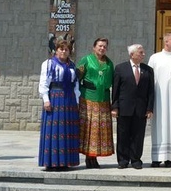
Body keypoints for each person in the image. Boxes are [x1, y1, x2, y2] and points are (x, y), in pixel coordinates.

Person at [38, 40, 80, 171]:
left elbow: (76, 84)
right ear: (56, 50)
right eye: (61, 49)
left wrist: (77, 101)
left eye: (66, 49)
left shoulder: (72, 65)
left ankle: (65, 161)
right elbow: (44, 82)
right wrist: (46, 99)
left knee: (67, 130)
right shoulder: (49, 64)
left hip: (69, 100)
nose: (64, 51)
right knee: (54, 131)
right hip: (55, 98)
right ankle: (51, 162)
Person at [112, 44, 154, 169]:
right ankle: (123, 160)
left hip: (141, 108)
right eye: (140, 52)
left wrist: (150, 108)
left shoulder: (148, 70)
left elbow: (151, 91)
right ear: (132, 54)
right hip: (124, 107)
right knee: (123, 135)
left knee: (138, 135)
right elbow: (116, 89)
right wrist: (114, 106)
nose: (143, 54)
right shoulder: (120, 68)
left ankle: (136, 159)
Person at [77, 38, 114, 168]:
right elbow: (77, 78)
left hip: (103, 99)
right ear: (94, 47)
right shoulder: (86, 60)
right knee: (89, 128)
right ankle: (88, 157)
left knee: (99, 130)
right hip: (88, 98)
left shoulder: (109, 63)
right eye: (99, 46)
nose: (102, 48)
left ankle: (95, 157)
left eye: (104, 46)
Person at [148, 32, 171, 168]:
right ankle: (156, 157)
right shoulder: (155, 58)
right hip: (159, 98)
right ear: (166, 42)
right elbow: (149, 80)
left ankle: (170, 158)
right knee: (159, 126)